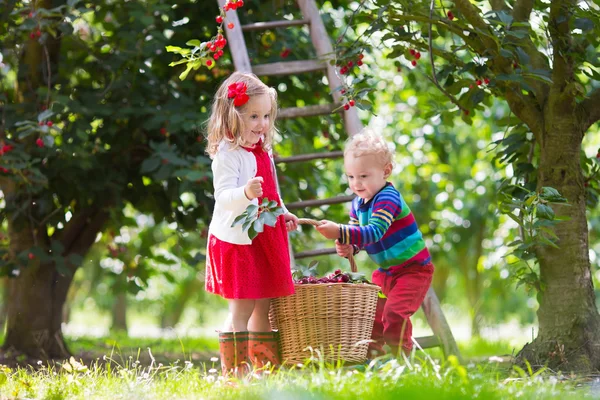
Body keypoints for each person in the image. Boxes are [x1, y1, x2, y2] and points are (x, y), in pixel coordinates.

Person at [204, 71, 299, 375]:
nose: (263, 124)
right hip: (238, 241)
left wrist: (283, 212)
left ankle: (264, 370)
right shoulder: (227, 155)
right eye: (254, 116)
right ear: (233, 117)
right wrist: (245, 192)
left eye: (267, 116)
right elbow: (222, 197)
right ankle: (235, 373)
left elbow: (272, 192)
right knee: (242, 306)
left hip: (264, 237)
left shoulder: (264, 153)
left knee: (264, 305)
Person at [315, 130, 434, 357]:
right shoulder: (358, 203)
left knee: (394, 314)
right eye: (351, 177)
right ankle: (375, 357)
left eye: (363, 176)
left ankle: (402, 357)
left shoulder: (388, 198)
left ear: (385, 171)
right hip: (387, 272)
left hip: (413, 271)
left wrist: (340, 231)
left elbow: (374, 232)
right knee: (373, 314)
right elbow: (359, 237)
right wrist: (349, 246)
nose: (356, 183)